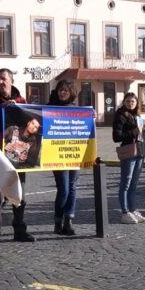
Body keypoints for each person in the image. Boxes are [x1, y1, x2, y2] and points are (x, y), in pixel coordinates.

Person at [0, 68, 35, 248]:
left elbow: (31, 125)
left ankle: (19, 229)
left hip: (18, 156)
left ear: (11, 80)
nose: (0, 82)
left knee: (20, 195)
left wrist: (16, 109)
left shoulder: (22, 102)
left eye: (3, 79)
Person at [113, 92, 145, 224]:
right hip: (128, 151)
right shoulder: (120, 115)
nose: (130, 103)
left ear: (136, 103)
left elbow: (142, 135)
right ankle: (125, 212)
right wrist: (134, 132)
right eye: (128, 101)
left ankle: (133, 209)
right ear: (123, 102)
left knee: (134, 184)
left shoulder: (137, 115)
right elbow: (116, 137)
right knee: (125, 183)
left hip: (139, 151)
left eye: (133, 101)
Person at [46, 81, 80, 235]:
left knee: (72, 187)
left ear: (71, 92)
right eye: (60, 90)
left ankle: (68, 220)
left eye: (65, 90)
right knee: (64, 189)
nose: (62, 93)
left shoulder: (76, 109)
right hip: (57, 153)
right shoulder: (49, 107)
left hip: (74, 152)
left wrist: (90, 117)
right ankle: (57, 221)